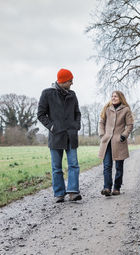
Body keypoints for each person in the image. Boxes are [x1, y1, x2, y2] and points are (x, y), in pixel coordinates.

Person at [37, 68, 82, 203]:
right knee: (56, 167)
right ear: (62, 81)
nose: (72, 83)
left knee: (73, 164)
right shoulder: (47, 94)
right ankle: (59, 194)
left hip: (71, 135)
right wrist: (52, 127)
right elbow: (40, 114)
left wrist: (76, 126)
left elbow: (77, 113)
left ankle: (73, 192)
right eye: (70, 81)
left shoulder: (72, 95)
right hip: (56, 136)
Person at [98, 91, 134, 196]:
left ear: (120, 98)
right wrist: (102, 135)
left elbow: (130, 125)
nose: (113, 98)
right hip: (107, 141)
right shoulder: (106, 108)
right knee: (107, 165)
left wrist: (124, 135)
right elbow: (101, 122)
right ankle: (107, 187)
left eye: (116, 96)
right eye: (112, 96)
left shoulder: (126, 110)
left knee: (119, 166)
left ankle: (116, 188)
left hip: (119, 141)